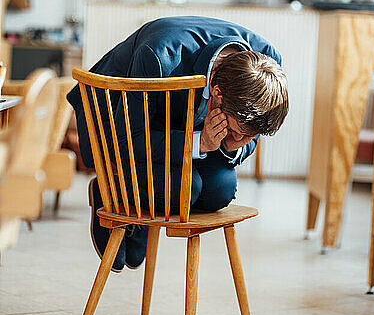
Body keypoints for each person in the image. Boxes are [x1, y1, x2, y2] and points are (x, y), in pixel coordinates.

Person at [67, 16, 289, 272]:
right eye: (238, 132)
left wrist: (230, 145)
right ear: (217, 94)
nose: (244, 140)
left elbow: (251, 134)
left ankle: (147, 199)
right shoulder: (158, 55)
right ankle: (116, 189)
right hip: (121, 124)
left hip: (186, 127)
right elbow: (131, 137)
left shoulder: (267, 64)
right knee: (187, 186)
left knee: (221, 188)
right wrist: (200, 141)